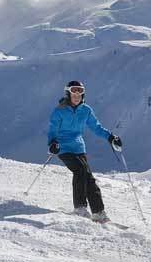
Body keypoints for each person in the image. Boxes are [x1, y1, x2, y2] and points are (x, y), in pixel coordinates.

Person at [47, 80, 122, 223]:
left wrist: (111, 137)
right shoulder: (59, 111)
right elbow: (52, 129)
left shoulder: (86, 110)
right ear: (68, 94)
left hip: (79, 148)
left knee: (89, 178)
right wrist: (52, 143)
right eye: (73, 92)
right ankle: (80, 208)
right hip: (63, 148)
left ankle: (98, 212)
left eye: (80, 92)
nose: (77, 95)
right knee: (80, 170)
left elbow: (96, 127)